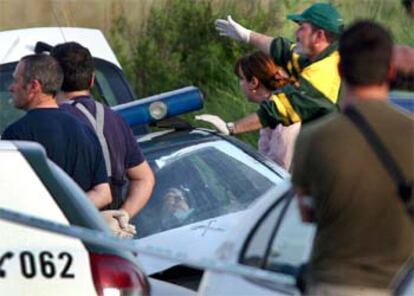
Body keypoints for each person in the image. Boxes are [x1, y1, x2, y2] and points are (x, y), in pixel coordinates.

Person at [292, 20, 413, 295]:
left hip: (334, 283)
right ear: (391, 71)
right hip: (402, 285)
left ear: (340, 69)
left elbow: (306, 211)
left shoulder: (312, 138)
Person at [51, 42, 155, 237]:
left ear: (53, 80)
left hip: (75, 234)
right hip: (117, 236)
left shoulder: (52, 122)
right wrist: (123, 215)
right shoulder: (116, 119)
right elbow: (144, 178)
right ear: (92, 80)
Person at [196, 3, 343, 136]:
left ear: (319, 36)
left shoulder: (325, 73)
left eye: (302, 28)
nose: (296, 34)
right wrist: (247, 35)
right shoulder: (322, 57)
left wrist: (232, 128)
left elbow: (280, 109)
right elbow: (283, 50)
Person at [2, 54, 111, 209]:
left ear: (34, 86)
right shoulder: (85, 131)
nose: (11, 87)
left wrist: (56, 219)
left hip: (42, 230)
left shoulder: (16, 136)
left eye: (16, 80)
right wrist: (73, 216)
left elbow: (12, 197)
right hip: (85, 231)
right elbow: (103, 193)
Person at [237, 51, 300, 170]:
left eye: (241, 78)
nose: (240, 84)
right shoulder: (273, 108)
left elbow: (276, 170)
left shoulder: (282, 118)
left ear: (253, 82)